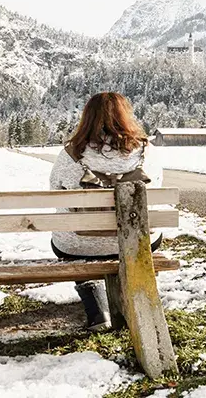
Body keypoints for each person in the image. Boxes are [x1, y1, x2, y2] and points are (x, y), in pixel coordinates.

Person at [50, 92, 163, 331]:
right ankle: (135, 293)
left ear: (87, 118)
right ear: (126, 117)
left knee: (65, 237)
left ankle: (95, 304)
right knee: (151, 233)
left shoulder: (71, 154)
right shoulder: (147, 151)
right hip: (136, 242)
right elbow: (157, 189)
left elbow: (56, 192)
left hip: (78, 246)